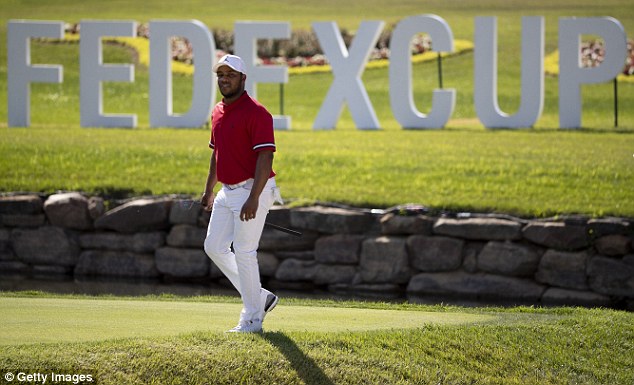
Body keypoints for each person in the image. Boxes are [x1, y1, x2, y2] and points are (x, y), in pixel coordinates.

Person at [201, 54, 281, 333]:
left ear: (243, 79)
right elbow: (216, 155)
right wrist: (209, 189)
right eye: (221, 75)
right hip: (226, 191)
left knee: (245, 252)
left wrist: (254, 198)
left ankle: (252, 319)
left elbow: (265, 159)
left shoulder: (257, 113)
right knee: (213, 247)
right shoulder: (217, 112)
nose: (224, 79)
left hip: (252, 189)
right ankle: (260, 297)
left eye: (230, 75)